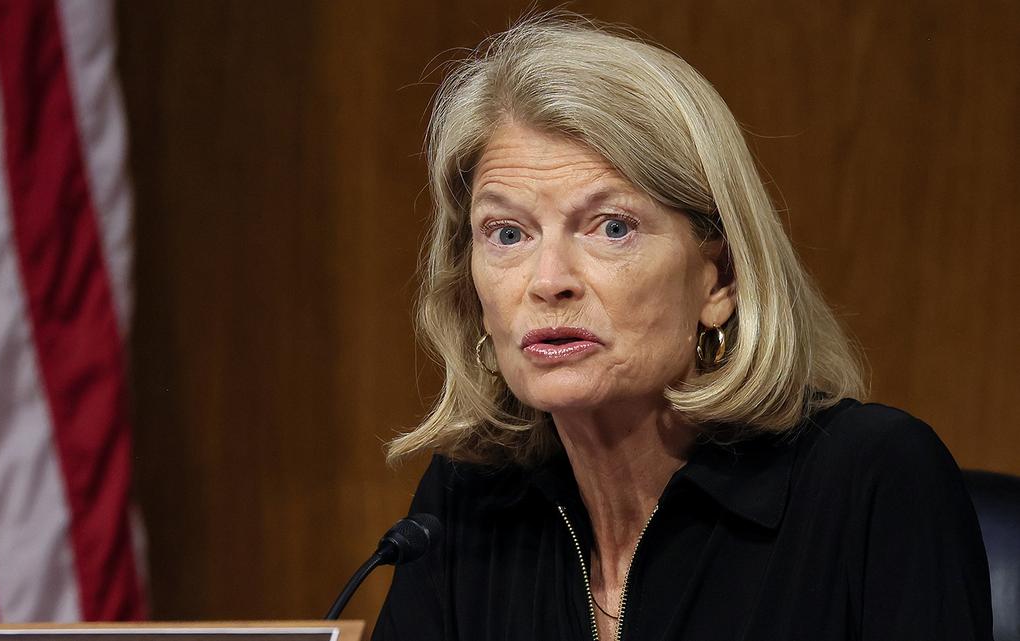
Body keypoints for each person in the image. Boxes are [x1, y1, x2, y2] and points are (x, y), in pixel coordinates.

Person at [371, 12, 992, 641]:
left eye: (612, 226)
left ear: (718, 279)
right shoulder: (463, 507)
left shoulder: (870, 480)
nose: (547, 280)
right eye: (507, 234)